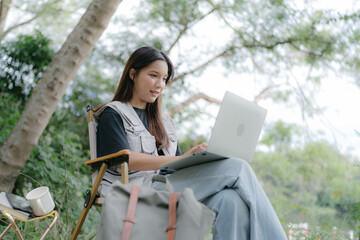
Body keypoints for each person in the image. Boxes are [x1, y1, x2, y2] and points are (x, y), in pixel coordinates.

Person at [94, 46, 287, 240]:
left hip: (169, 183)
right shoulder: (114, 113)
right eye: (153, 75)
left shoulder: (165, 122)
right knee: (238, 168)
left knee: (230, 200)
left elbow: (177, 164)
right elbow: (124, 159)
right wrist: (176, 160)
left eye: (164, 79)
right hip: (137, 189)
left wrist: (194, 158)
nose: (160, 84)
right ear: (133, 74)